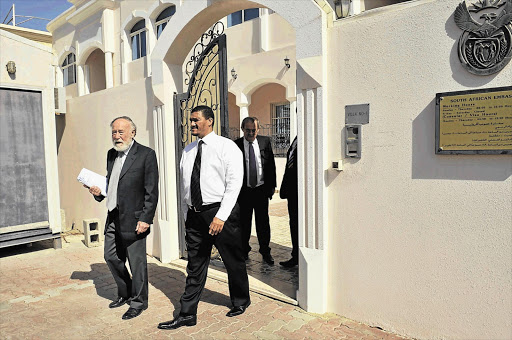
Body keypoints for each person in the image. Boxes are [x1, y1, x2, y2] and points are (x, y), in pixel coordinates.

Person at [158, 105, 250, 330]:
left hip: (220, 213)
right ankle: (187, 314)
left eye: (195, 120)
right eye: (190, 120)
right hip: (195, 215)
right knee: (195, 265)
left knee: (232, 261)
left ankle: (241, 300)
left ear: (209, 121)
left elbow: (234, 184)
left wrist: (221, 216)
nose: (191, 124)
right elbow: (185, 187)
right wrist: (185, 214)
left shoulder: (226, 147)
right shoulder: (188, 150)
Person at [86, 116, 159, 320]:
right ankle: (125, 292)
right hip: (113, 215)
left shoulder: (146, 155)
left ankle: (138, 302)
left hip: (135, 219)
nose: (117, 136)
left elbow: (151, 191)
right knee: (111, 256)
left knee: (137, 264)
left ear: (132, 133)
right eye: (114, 132)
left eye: (121, 132)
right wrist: (98, 192)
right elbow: (111, 183)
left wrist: (146, 218)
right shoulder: (111, 154)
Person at [235, 117, 276, 265]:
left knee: (263, 223)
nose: (251, 133)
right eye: (248, 130)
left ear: (258, 130)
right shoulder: (236, 145)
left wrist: (271, 188)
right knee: (244, 224)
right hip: (244, 192)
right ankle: (244, 251)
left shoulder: (265, 142)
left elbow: (271, 165)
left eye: (254, 130)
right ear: (242, 129)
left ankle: (265, 252)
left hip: (261, 191)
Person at [279, 136, 298, 267]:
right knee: (294, 224)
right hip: (292, 191)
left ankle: (300, 256)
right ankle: (295, 256)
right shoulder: (296, 139)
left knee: (300, 224)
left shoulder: (307, 137)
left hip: (300, 191)